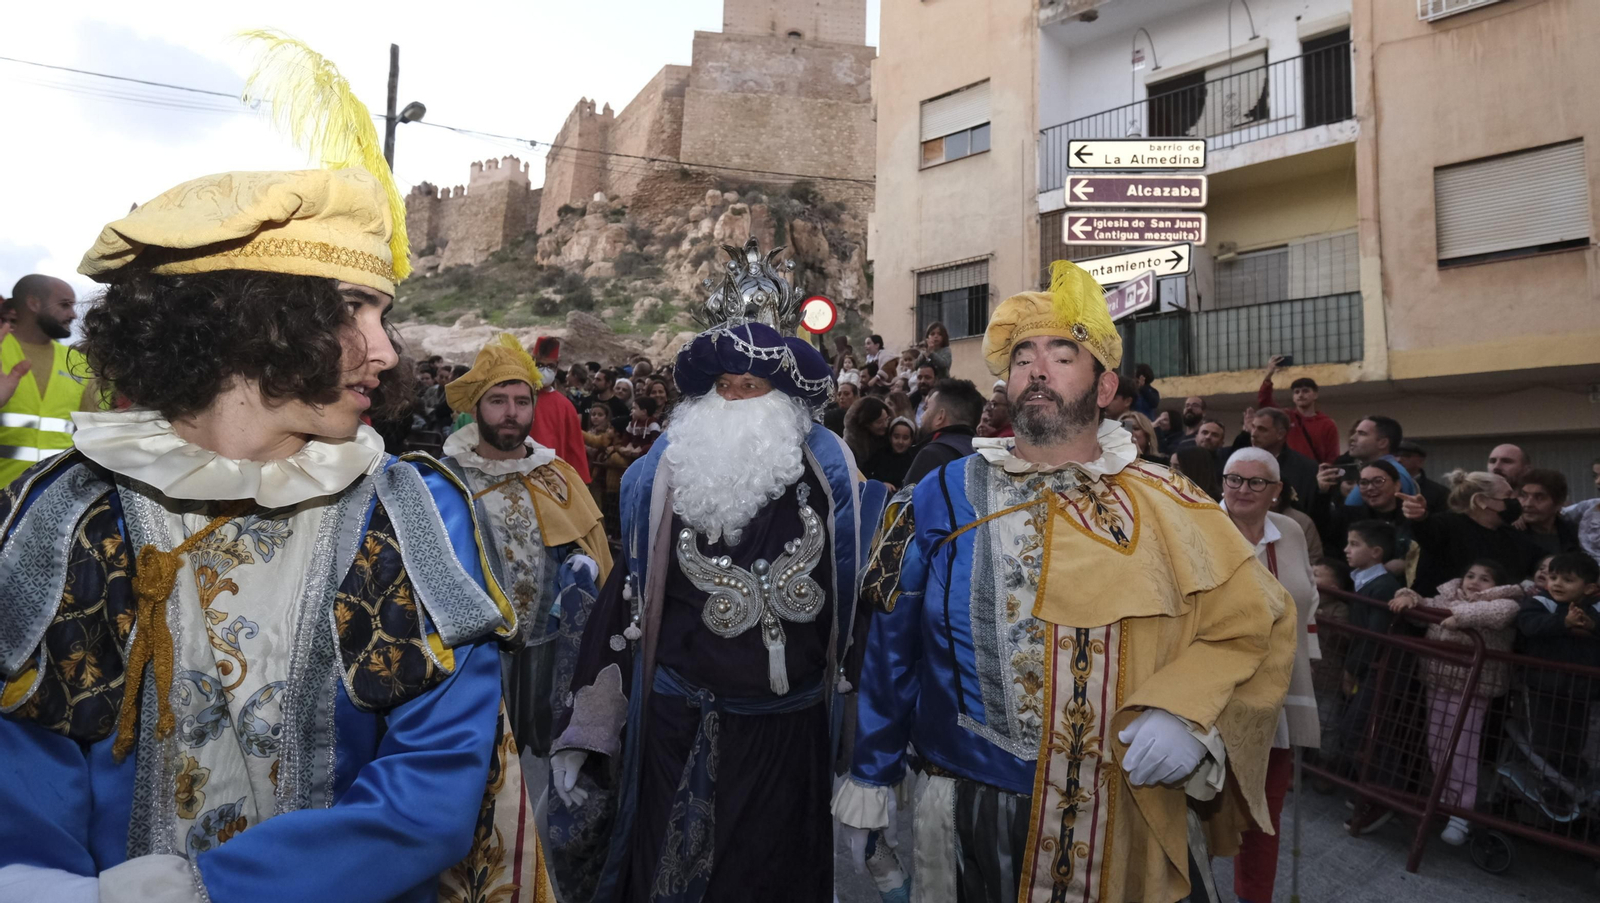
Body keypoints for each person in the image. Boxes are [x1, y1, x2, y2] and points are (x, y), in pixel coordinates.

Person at [0, 35, 552, 902]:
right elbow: (26, 786)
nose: (384, 349)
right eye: (351, 310)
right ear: (248, 320)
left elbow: (432, 796)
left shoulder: (411, 510)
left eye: (385, 314)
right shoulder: (66, 513)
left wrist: (201, 890)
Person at [837, 260, 1294, 903]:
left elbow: (1254, 624)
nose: (1037, 369)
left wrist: (1189, 715)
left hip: (1129, 813)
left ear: (1105, 388)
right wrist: (872, 777)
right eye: (1022, 356)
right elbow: (891, 640)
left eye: (1061, 354)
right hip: (977, 812)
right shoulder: (939, 492)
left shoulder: (1172, 502)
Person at [544, 239, 884, 903]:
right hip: (680, 732)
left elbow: (862, 609)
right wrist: (586, 730)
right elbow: (627, 601)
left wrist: (872, 759)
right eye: (723, 386)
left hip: (787, 741)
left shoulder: (832, 476)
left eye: (750, 386)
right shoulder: (661, 478)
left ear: (783, 393)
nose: (734, 400)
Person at [440, 335, 612, 756]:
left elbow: (582, 542)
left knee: (539, 758)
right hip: (471, 658)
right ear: (477, 407)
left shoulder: (557, 474)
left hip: (546, 653)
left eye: (521, 400)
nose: (511, 413)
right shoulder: (444, 481)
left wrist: (582, 562)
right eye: (498, 400)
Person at [1220, 448, 1320, 903]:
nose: (1242, 489)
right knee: (1192, 809)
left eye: (1256, 482)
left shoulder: (1293, 532)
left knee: (1266, 812)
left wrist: (1303, 661)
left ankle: (1254, 898)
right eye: (1233, 479)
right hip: (1216, 693)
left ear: (1276, 491)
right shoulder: (1199, 525)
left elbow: (1308, 597)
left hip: (1282, 689)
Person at [1389, 559, 1523, 845]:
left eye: (1484, 578)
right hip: (1437, 679)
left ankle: (1462, 812)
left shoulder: (1507, 602)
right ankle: (1443, 801)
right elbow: (1423, 604)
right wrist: (1408, 596)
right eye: (1470, 575)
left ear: (1498, 584)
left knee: (1462, 746)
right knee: (1436, 742)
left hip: (1474, 688)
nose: (1474, 581)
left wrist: (1458, 616)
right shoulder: (1447, 596)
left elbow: (1497, 614)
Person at [1337, 520, 1407, 834]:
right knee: (1360, 730)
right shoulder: (1365, 581)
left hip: (1378, 673)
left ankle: (1382, 795)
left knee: (1360, 730)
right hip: (1368, 671)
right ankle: (1370, 789)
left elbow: (1373, 637)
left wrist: (1354, 668)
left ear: (1376, 552)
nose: (1346, 550)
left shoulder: (1381, 587)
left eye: (1354, 544)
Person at [1514, 551, 1600, 786]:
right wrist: (1563, 623)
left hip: (1582, 690)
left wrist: (1593, 626)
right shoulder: (1540, 602)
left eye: (1568, 580)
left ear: (1590, 588)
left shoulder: (1595, 609)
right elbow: (1528, 625)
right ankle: (1546, 784)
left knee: (1575, 741)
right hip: (1543, 685)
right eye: (1553, 578)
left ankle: (1571, 786)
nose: (1557, 584)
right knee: (1545, 739)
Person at [0, 275, 91, 486]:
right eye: (64, 305)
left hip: (56, 502)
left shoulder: (78, 362)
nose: (73, 314)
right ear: (34, 303)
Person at [1402, 470, 1544, 590]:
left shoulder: (1510, 534)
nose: (1516, 501)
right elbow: (1427, 531)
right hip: (1440, 614)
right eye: (1507, 496)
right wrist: (1420, 516)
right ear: (1481, 500)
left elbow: (1540, 560)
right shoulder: (1447, 525)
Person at [529, 336, 593, 484]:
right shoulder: (518, 398)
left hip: (552, 479)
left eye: (550, 366)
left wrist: (580, 483)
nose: (544, 371)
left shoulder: (565, 406)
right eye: (539, 365)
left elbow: (575, 448)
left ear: (557, 367)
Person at [901, 377, 983, 485]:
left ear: (940, 417)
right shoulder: (985, 455)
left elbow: (908, 500)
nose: (922, 417)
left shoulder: (932, 454)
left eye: (926, 409)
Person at [1259, 356, 1340, 464]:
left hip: (1314, 475)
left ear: (1315, 395)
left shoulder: (1327, 424)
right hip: (1287, 473)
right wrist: (1269, 375)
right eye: (1296, 392)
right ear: (1293, 397)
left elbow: (1332, 457)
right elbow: (1265, 403)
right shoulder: (1286, 417)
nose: (1300, 395)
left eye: (1305, 391)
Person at [1245, 407, 1319, 515]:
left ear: (1280, 434)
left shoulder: (1306, 468)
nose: (1254, 434)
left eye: (1262, 429)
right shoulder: (1240, 463)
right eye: (1253, 427)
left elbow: (1309, 510)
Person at [1518, 467, 1580, 554]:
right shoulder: (1511, 533)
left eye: (1539, 498)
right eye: (1523, 496)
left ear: (1559, 503)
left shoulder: (1574, 533)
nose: (1528, 504)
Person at [1394, 439, 1450, 513]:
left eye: (1406, 456)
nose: (1398, 460)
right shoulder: (1383, 488)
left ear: (1420, 461)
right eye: (1395, 456)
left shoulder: (1439, 492)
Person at [865, 416, 917, 489]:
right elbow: (865, 474)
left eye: (905, 438)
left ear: (911, 440)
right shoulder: (879, 455)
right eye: (896, 437)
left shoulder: (915, 460)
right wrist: (881, 484)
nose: (900, 442)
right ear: (890, 437)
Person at [844, 395, 892, 470]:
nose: (885, 425)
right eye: (879, 422)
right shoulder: (852, 444)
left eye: (886, 419)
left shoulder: (891, 436)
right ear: (866, 423)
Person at [825, 371, 861, 435]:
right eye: (839, 394)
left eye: (846, 394)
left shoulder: (862, 415)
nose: (841, 397)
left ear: (856, 397)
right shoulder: (831, 415)